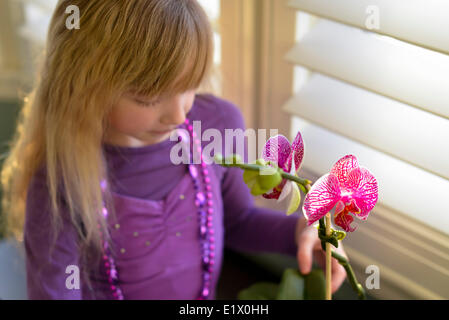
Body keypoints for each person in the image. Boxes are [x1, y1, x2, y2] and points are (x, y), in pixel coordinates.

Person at [0, 0, 347, 300]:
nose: (179, 114)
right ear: (81, 85)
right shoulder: (61, 179)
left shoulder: (216, 124)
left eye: (189, 86)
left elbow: (238, 220)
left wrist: (301, 233)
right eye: (148, 98)